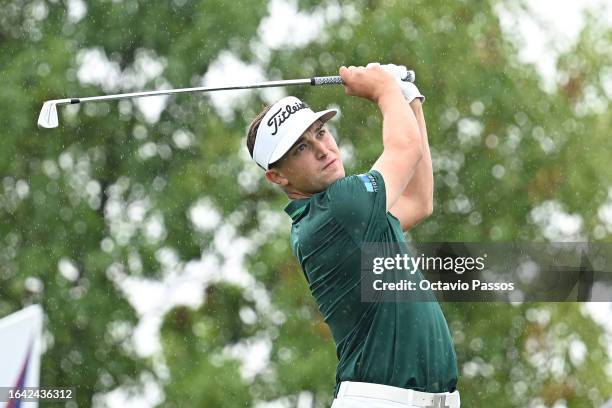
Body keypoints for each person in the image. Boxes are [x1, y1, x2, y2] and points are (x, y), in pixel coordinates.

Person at [246, 63, 459, 408]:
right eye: (300, 148)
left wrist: (408, 98)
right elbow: (405, 149)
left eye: (320, 132)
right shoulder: (339, 207)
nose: (321, 149)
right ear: (278, 177)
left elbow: (418, 201)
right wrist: (383, 89)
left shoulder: (342, 215)